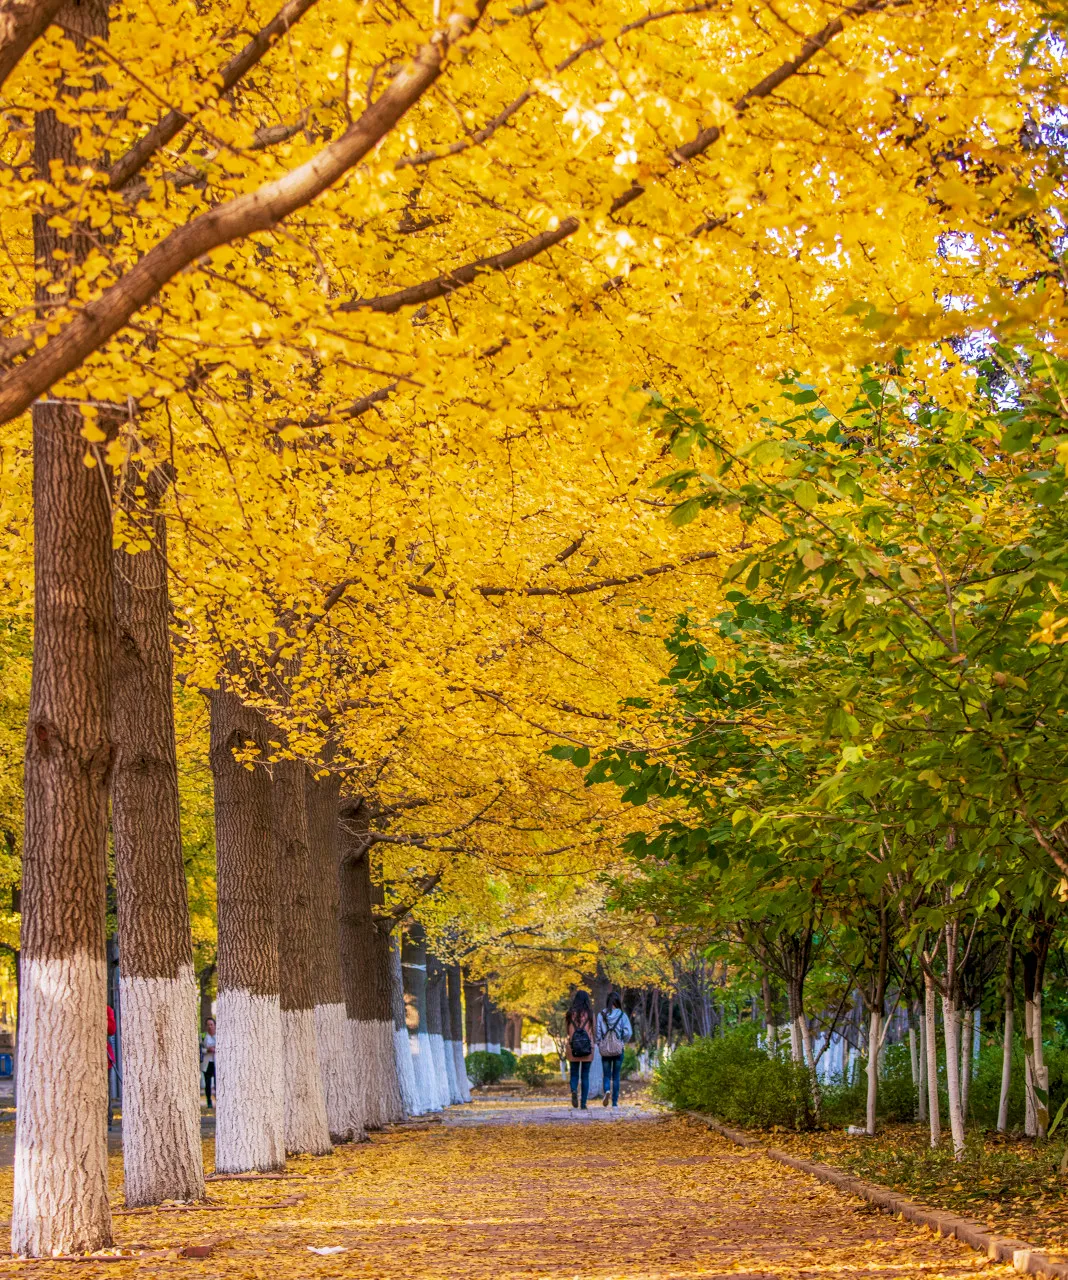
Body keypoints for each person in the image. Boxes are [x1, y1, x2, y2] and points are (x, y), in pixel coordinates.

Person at [596, 991, 632, 1108]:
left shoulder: (601, 1015)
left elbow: (598, 1032)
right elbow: (628, 1032)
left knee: (606, 1075)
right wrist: (622, 1042)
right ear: (618, 1002)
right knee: (616, 1076)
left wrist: (600, 1043)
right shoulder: (622, 1015)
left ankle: (607, 1090)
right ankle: (615, 1103)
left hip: (605, 1050)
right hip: (618, 1049)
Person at [565, 989, 595, 1110]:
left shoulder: (569, 1014)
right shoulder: (590, 1014)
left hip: (573, 1047)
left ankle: (573, 1090)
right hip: (587, 1048)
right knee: (585, 1076)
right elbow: (594, 1031)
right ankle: (583, 1104)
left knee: (574, 1073)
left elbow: (567, 1031)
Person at [201, 1017, 216, 1109]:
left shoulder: (220, 1036)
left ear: (215, 1026)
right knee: (208, 1083)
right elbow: (199, 1049)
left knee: (218, 1083)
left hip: (217, 1063)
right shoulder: (202, 1036)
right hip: (207, 1063)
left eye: (212, 1024)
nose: (210, 1026)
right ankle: (209, 1101)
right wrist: (207, 1050)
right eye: (208, 1025)